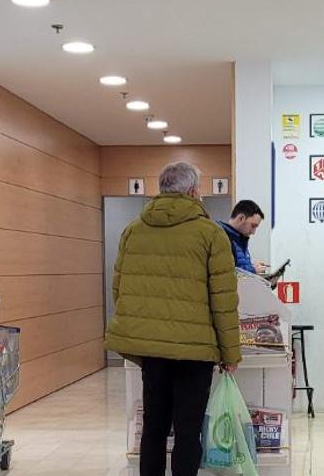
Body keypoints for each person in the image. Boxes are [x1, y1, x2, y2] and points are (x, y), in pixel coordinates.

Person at [106, 161, 242, 476]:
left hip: (152, 353)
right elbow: (223, 301)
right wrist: (230, 353)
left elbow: (119, 289)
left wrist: (141, 332)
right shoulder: (210, 233)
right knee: (187, 432)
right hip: (195, 353)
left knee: (153, 427)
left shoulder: (133, 231)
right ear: (194, 191)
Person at [217, 199, 269, 275]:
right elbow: (226, 272)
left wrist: (252, 266)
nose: (253, 232)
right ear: (241, 218)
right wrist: (253, 270)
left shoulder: (240, 239)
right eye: (253, 226)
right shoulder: (221, 238)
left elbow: (239, 266)